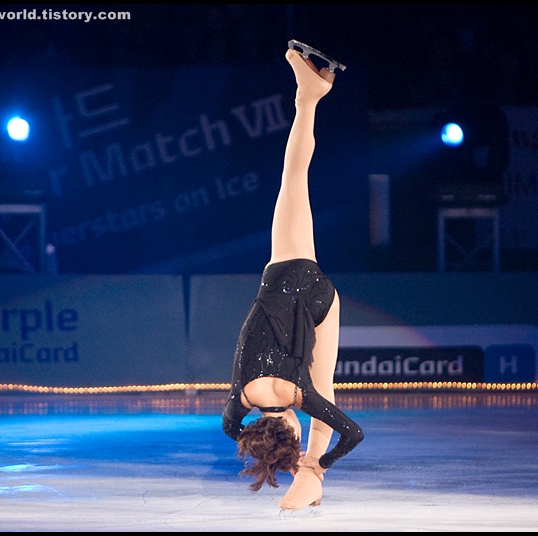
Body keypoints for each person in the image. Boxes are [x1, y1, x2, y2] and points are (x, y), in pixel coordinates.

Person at [221, 41, 363, 512]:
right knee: (293, 175)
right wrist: (251, 439)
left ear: (292, 429)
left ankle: (312, 477)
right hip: (285, 271)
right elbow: (229, 427)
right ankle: (307, 98)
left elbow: (355, 432)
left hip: (320, 296)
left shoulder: (300, 395)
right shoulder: (239, 400)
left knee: (328, 391)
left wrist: (317, 460)